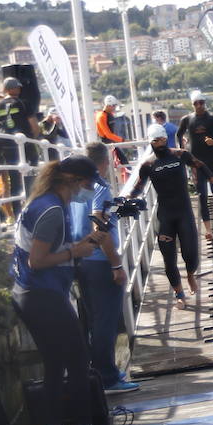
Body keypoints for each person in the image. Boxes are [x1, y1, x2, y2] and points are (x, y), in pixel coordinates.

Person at [11, 155, 125, 425]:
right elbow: (38, 260)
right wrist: (76, 250)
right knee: (77, 365)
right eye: (88, 184)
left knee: (54, 368)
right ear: (75, 182)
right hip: (43, 296)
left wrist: (90, 240)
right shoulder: (52, 210)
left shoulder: (43, 202)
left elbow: (45, 253)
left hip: (28, 295)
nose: (88, 190)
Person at [128, 123, 213, 309]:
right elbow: (138, 188)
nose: (161, 143)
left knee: (190, 254)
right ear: (151, 142)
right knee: (168, 259)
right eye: (156, 140)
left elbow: (201, 165)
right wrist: (126, 198)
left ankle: (190, 274)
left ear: (167, 138)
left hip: (184, 213)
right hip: (165, 215)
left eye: (163, 139)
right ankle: (179, 293)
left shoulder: (180, 155)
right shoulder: (148, 164)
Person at [71, 141, 139, 394]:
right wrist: (116, 264)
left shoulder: (74, 186)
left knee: (92, 321)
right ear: (105, 161)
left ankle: (96, 373)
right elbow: (100, 228)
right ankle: (108, 378)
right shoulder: (99, 186)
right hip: (99, 261)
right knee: (106, 322)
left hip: (78, 259)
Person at [177, 90, 213, 240]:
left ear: (205, 103)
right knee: (202, 195)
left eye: (202, 103)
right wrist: (182, 150)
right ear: (192, 104)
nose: (199, 106)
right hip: (196, 163)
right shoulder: (187, 119)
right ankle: (208, 229)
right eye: (196, 103)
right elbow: (179, 134)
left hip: (212, 160)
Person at [0, 77, 42, 219]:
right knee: (32, 177)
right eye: (18, 87)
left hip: (6, 147)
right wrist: (33, 139)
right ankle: (34, 210)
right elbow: (34, 126)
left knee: (14, 181)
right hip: (25, 145)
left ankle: (18, 215)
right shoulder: (24, 103)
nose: (19, 89)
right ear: (13, 89)